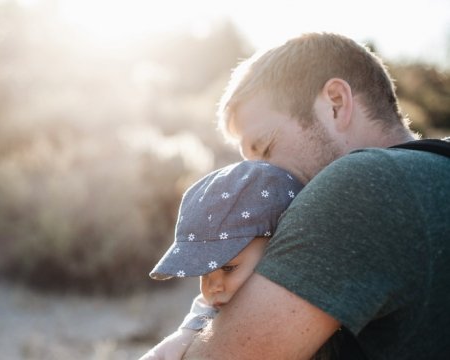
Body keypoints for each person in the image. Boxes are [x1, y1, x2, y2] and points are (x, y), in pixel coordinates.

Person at [151, 32, 450, 359]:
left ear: (335, 103)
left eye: (265, 148)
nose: (257, 180)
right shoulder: (434, 169)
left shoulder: (360, 185)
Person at [140, 160, 305, 359]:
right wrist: (183, 337)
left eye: (228, 268)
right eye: (204, 273)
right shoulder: (215, 305)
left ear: (277, 246)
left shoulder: (303, 301)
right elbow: (173, 343)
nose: (213, 287)